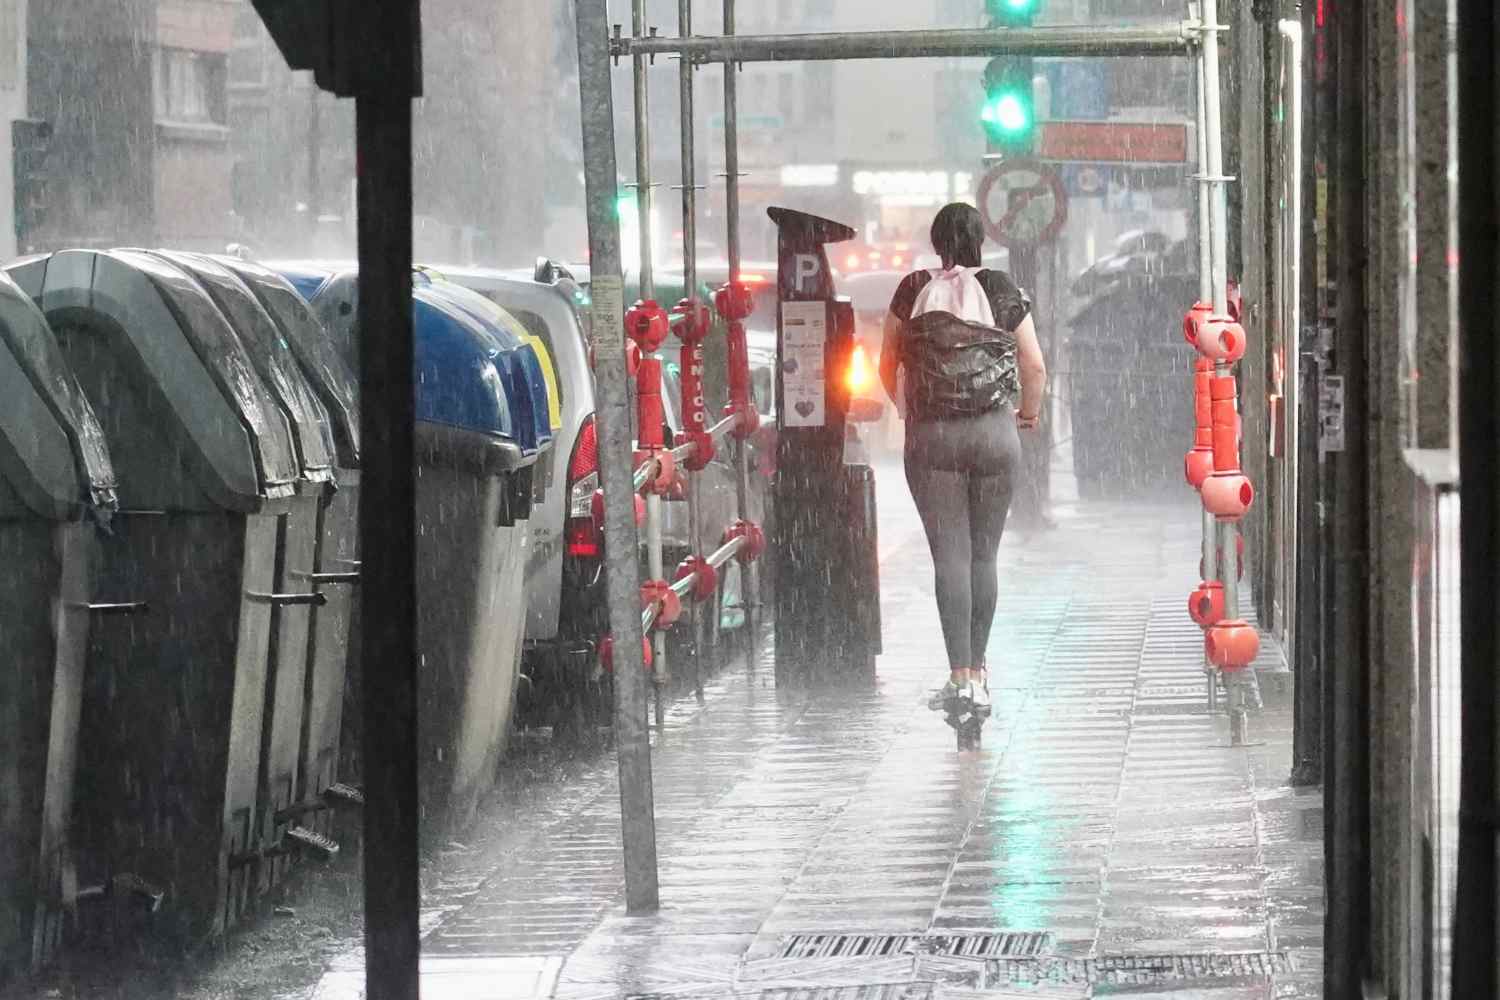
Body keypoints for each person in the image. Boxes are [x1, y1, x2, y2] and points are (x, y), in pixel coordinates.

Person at [879, 202, 1048, 716]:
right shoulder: (1001, 289)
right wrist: (1025, 416)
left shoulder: (912, 289)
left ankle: (959, 679)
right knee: (984, 556)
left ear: (936, 241)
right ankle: (980, 671)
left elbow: (887, 365)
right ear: (981, 238)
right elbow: (1034, 366)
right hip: (996, 434)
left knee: (950, 558)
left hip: (933, 438)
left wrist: (910, 410)